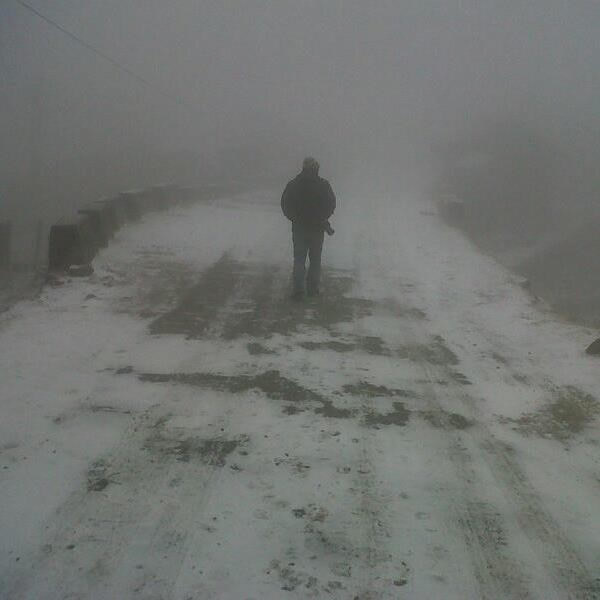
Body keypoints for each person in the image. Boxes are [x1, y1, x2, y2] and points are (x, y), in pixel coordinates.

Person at [281, 157, 336, 300]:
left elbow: (285, 204)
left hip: (299, 228)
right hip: (317, 228)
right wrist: (322, 217)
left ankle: (299, 291)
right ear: (316, 168)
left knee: (299, 259)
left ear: (303, 168)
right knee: (315, 260)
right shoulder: (323, 185)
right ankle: (313, 290)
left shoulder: (293, 184)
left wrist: (295, 218)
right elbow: (331, 204)